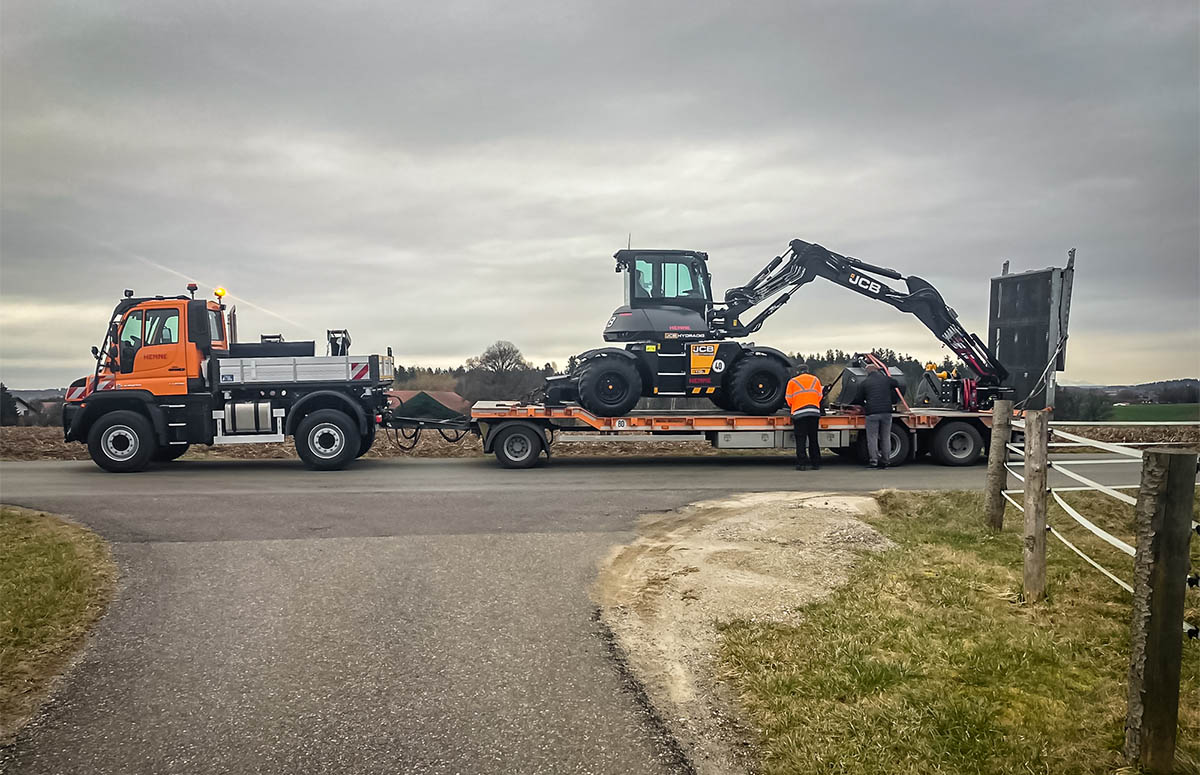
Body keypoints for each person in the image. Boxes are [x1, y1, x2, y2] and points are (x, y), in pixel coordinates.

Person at [862, 363, 900, 468]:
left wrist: (863, 406)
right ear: (877, 370)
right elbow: (896, 383)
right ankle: (886, 461)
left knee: (872, 438)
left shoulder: (865, 382)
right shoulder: (886, 380)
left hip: (872, 413)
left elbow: (859, 397)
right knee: (886, 437)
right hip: (886, 412)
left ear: (868, 372)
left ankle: (874, 461)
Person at [786, 363, 823, 471]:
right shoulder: (815, 380)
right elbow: (820, 396)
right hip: (814, 412)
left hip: (799, 413)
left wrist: (795, 405)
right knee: (813, 439)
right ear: (808, 370)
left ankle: (801, 464)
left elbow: (789, 399)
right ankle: (816, 463)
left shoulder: (792, 382)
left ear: (798, 371)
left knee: (801, 439)